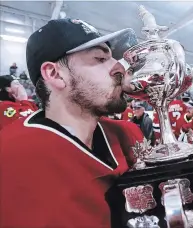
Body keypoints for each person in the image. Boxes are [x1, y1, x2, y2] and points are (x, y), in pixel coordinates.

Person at [0, 18, 144, 228]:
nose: (119, 68)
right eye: (100, 58)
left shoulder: (128, 135)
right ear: (54, 74)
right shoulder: (10, 157)